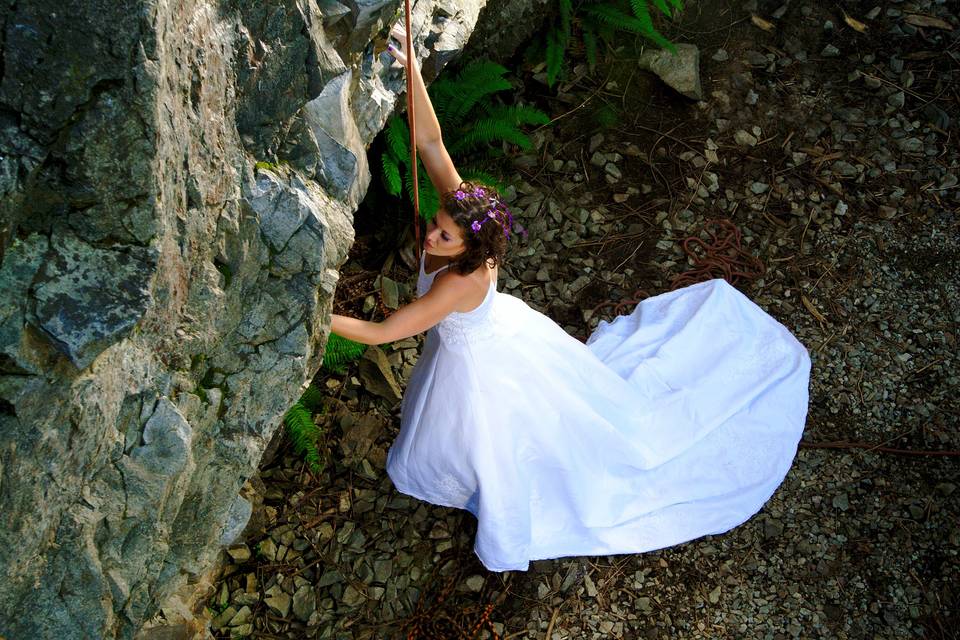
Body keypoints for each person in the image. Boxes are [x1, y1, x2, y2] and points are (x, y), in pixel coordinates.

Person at [330, 25, 811, 572]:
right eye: (437, 224)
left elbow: (383, 333)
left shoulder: (456, 285)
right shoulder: (467, 218)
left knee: (487, 434)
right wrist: (414, 76)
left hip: (477, 364)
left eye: (443, 236)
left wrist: (318, 318)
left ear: (470, 249)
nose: (432, 235)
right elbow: (432, 145)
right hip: (506, 337)